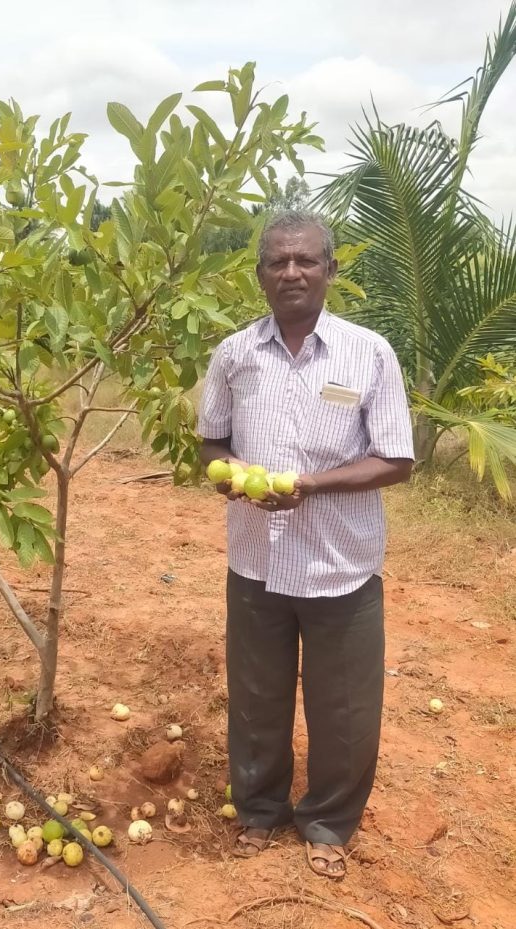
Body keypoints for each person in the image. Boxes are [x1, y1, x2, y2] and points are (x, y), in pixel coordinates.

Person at [197, 210, 414, 879]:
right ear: (259, 273)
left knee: (344, 706)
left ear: (330, 270)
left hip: (340, 565)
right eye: (277, 261)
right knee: (257, 696)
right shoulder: (235, 353)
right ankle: (259, 810)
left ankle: (327, 820)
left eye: (306, 260)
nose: (291, 272)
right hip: (256, 559)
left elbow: (397, 458)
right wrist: (231, 474)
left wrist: (311, 485)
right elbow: (210, 439)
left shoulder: (367, 352)